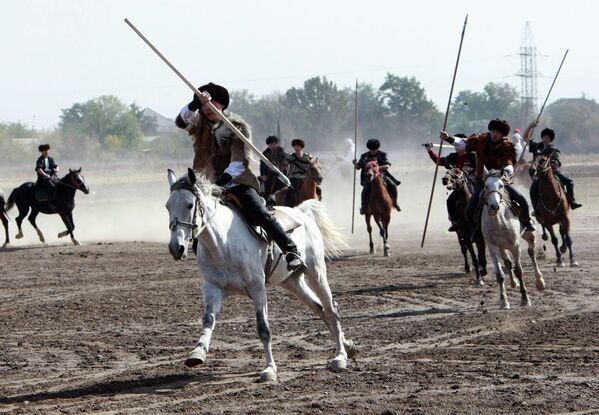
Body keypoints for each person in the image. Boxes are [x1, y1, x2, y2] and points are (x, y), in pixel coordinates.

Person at [174, 82, 304, 272]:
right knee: (189, 211)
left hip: (236, 182)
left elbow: (238, 161)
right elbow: (181, 121)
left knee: (260, 214)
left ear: (222, 106)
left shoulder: (236, 127)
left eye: (213, 106)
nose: (208, 110)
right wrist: (195, 103)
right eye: (205, 107)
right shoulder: (199, 124)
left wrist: (223, 182)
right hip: (205, 185)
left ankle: (290, 250)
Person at [440, 119, 535, 235]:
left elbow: (509, 162)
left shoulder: (507, 147)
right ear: (491, 131)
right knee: (469, 211)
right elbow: (464, 143)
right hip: (482, 182)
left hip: (501, 182)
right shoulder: (480, 140)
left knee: (522, 200)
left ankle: (527, 222)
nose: (495, 134)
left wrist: (506, 172)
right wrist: (448, 138)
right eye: (494, 131)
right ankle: (477, 230)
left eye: (498, 133)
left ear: (502, 135)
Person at [523, 121, 582, 210]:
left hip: (552, 172)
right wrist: (530, 127)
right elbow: (525, 137)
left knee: (569, 182)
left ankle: (572, 202)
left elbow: (556, 161)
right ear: (542, 137)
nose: (545, 138)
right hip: (538, 174)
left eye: (548, 137)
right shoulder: (536, 146)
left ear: (550, 139)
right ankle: (536, 210)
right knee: (532, 190)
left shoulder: (553, 149)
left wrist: (553, 164)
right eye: (544, 137)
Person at [424, 134, 476, 232]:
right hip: (459, 186)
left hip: (473, 184)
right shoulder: (453, 157)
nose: (456, 147)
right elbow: (439, 161)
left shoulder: (472, 156)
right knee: (450, 201)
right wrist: (429, 151)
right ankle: (455, 222)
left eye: (458, 144)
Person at [353, 138, 401, 214]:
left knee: (392, 185)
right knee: (364, 191)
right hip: (369, 177)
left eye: (374, 149)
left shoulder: (382, 154)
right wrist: (355, 164)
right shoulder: (364, 156)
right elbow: (358, 167)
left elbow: (387, 165)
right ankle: (364, 207)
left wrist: (376, 168)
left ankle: (395, 202)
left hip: (382, 176)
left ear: (377, 148)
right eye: (371, 149)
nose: (372, 151)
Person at [285, 139, 321, 206]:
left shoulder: (308, 156)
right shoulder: (290, 156)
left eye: (298, 146)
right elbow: (285, 164)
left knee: (319, 190)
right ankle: (289, 206)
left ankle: (318, 205)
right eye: (295, 146)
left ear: (301, 147)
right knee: (290, 192)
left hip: (306, 178)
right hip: (294, 177)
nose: (296, 148)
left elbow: (313, 164)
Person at [259, 135, 288, 200]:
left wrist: (285, 166)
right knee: (267, 188)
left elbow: (286, 162)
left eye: (274, 143)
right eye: (270, 144)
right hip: (269, 175)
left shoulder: (281, 152)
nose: (272, 145)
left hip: (281, 174)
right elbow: (262, 164)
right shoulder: (265, 153)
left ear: (276, 144)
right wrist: (263, 174)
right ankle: (267, 201)